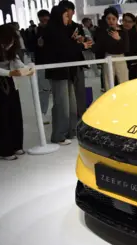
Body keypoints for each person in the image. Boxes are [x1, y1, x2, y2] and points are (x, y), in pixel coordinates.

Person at [45, 5, 92, 146]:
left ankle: (71, 130)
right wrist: (81, 46)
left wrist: (77, 42)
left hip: (68, 71)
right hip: (58, 72)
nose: (68, 18)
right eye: (65, 16)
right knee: (62, 105)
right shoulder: (52, 31)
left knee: (72, 104)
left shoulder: (65, 30)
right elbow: (62, 51)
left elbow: (68, 48)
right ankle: (59, 134)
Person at [0, 25, 30, 160]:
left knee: (15, 113)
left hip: (11, 82)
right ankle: (5, 150)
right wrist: (9, 72)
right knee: (2, 116)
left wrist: (26, 68)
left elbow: (16, 60)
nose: (11, 42)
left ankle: (17, 145)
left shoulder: (11, 45)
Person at [59, 0, 88, 118]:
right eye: (63, 10)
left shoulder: (77, 27)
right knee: (66, 94)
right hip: (63, 65)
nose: (66, 13)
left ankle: (82, 115)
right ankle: (69, 117)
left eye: (68, 10)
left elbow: (85, 44)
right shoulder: (58, 28)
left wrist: (82, 41)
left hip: (77, 62)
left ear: (73, 12)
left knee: (80, 90)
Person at [93, 7, 129, 88]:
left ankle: (125, 99)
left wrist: (119, 39)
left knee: (124, 83)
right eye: (108, 18)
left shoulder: (123, 31)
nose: (111, 21)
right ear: (105, 19)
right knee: (108, 84)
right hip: (108, 57)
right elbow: (98, 47)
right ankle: (110, 100)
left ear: (117, 19)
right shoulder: (102, 31)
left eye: (113, 18)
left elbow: (126, 48)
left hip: (120, 57)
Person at [35, 9, 51, 125]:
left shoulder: (54, 29)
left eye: (46, 20)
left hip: (55, 63)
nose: (44, 22)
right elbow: (31, 46)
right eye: (42, 20)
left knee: (57, 90)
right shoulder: (35, 31)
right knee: (44, 90)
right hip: (41, 64)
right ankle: (43, 113)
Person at [122, 13, 137, 80]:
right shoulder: (117, 32)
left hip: (132, 63)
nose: (127, 23)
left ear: (133, 23)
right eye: (125, 21)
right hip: (120, 62)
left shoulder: (136, 34)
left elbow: (136, 47)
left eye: (129, 22)